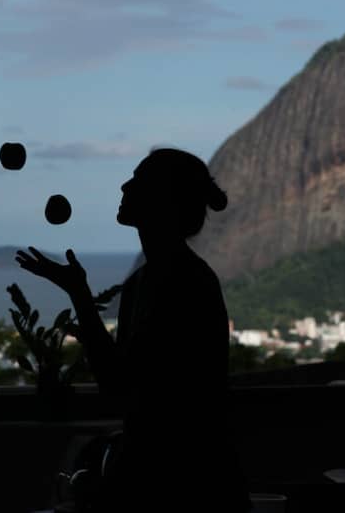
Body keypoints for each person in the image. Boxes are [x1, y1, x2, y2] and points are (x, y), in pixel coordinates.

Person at [16, 147, 251, 511]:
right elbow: (122, 384)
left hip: (182, 482)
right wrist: (78, 292)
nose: (125, 187)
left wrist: (79, 295)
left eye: (139, 181)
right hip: (169, 473)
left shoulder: (182, 282)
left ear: (163, 201)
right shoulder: (148, 282)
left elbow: (122, 387)